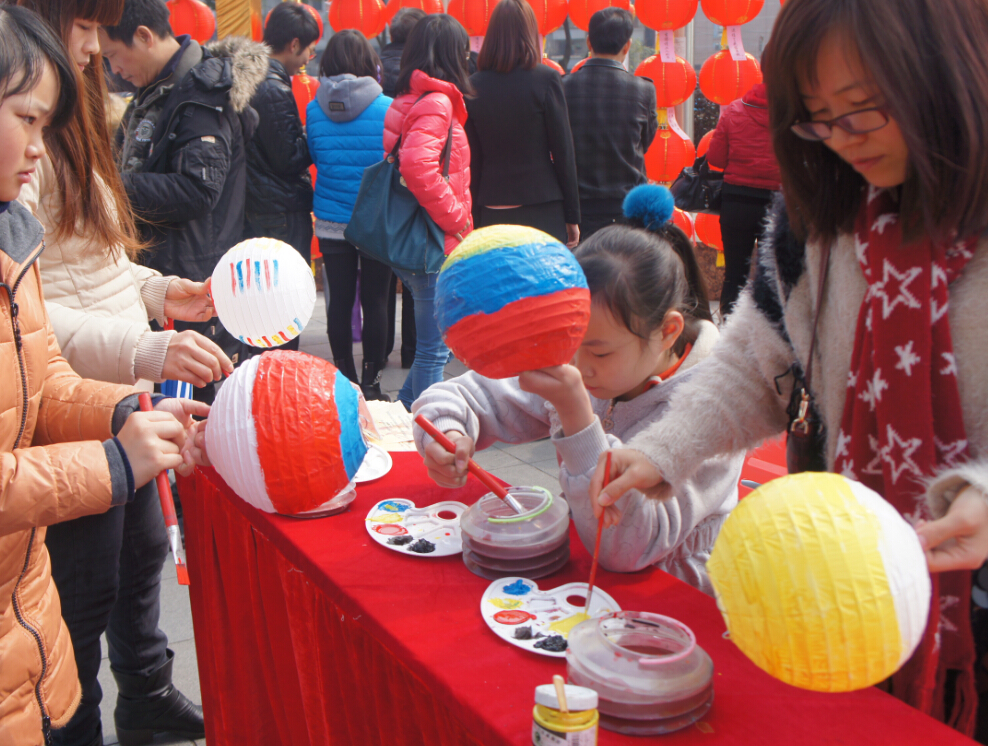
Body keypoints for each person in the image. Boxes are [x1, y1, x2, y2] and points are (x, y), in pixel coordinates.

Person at [590, 0, 988, 735]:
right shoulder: (820, 219)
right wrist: (662, 451)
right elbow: (757, 362)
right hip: (847, 567)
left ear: (944, 75)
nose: (840, 139)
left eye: (861, 109)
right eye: (816, 117)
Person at [0, 2, 204, 744]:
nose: (38, 150)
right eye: (27, 119)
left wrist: (126, 413)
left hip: (6, 604)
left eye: (48, 126)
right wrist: (111, 464)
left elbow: (42, 379)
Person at [13, 1, 222, 743]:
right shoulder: (21, 136)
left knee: (142, 557)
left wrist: (162, 293)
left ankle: (146, 694)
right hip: (73, 404)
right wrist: (146, 349)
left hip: (120, 393)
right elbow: (21, 309)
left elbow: (95, 265)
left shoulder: (70, 123)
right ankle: (75, 724)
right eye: (84, 27)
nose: (96, 47)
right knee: (83, 589)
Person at [415, 186, 738, 593]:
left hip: (674, 594)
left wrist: (578, 419)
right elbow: (463, 396)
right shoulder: (575, 360)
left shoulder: (717, 409)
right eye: (570, 341)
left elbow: (626, 549)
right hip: (584, 580)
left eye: (599, 352)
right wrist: (449, 434)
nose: (579, 367)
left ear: (668, 331)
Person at [102, 0, 266, 400]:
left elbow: (198, 189)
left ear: (144, 36)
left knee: (193, 407)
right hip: (163, 271)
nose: (113, 69)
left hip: (191, 276)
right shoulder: (156, 89)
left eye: (112, 55)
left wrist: (109, 187)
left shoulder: (200, 94)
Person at [384, 13, 474, 409]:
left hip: (420, 235)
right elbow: (416, 166)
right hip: (434, 239)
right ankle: (420, 430)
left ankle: (401, 417)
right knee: (434, 352)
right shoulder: (437, 102)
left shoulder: (410, 97)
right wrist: (457, 217)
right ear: (452, 54)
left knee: (432, 350)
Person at [307, 30, 393, 400]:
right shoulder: (388, 107)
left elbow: (316, 155)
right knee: (376, 301)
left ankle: (344, 379)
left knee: (338, 303)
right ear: (368, 62)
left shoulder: (314, 109)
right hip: (375, 220)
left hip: (330, 221)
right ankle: (372, 382)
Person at [465, 0, 580, 246]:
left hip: (491, 205)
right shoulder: (547, 79)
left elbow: (472, 159)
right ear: (529, 32)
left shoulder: (473, 85)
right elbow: (563, 152)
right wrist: (573, 215)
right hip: (542, 204)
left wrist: (473, 215)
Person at [243, 2, 320, 351]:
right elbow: (288, 157)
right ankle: (279, 374)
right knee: (283, 307)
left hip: (259, 204)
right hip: (279, 210)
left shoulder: (251, 75)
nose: (308, 57)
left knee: (263, 305)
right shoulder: (272, 88)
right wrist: (312, 135)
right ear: (294, 45)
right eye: (308, 49)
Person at [564, 7, 657, 240]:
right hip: (627, 207)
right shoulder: (644, 90)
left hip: (576, 208)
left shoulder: (563, 86)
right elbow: (644, 143)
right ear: (627, 46)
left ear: (589, 42)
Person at [707, 82, 780, 317]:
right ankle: (768, 328)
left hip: (736, 203)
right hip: (776, 205)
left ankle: (729, 326)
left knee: (735, 273)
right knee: (773, 275)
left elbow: (715, 157)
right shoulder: (791, 114)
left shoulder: (734, 110)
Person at [380, 6, 426, 370]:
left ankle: (380, 351)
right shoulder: (423, 78)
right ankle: (412, 350)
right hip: (418, 189)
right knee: (418, 276)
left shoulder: (375, 68)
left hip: (386, 185)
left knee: (382, 279)